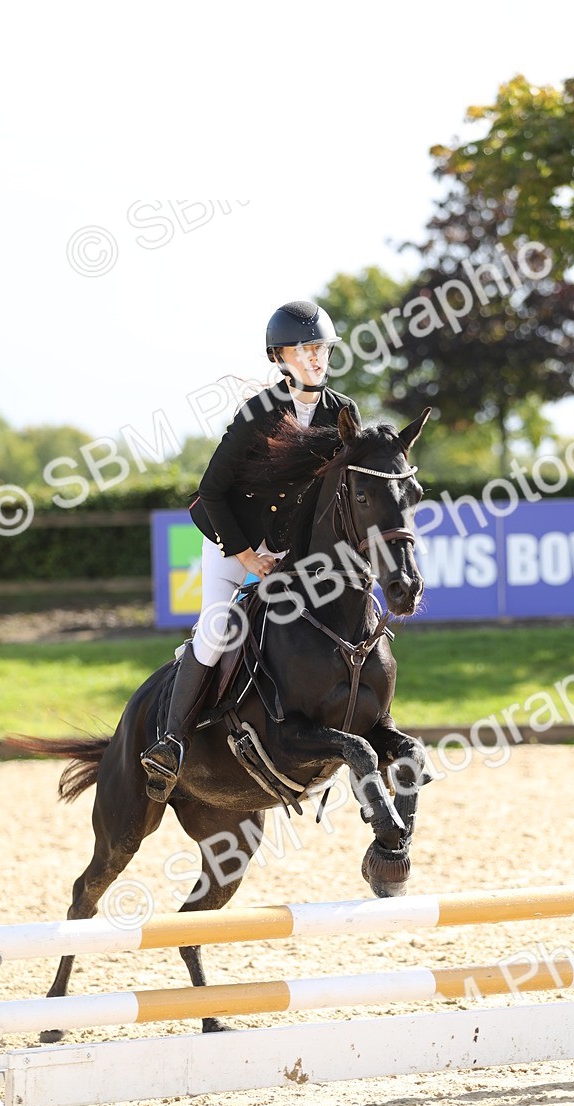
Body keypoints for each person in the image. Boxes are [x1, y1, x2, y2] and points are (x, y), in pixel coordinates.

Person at [141, 300, 362, 801]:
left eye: (321, 348)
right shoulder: (259, 411)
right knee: (219, 628)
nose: (314, 357)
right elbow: (211, 491)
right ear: (279, 356)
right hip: (231, 539)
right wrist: (245, 558)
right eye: (303, 349)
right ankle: (171, 741)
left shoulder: (341, 412)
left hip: (292, 553)